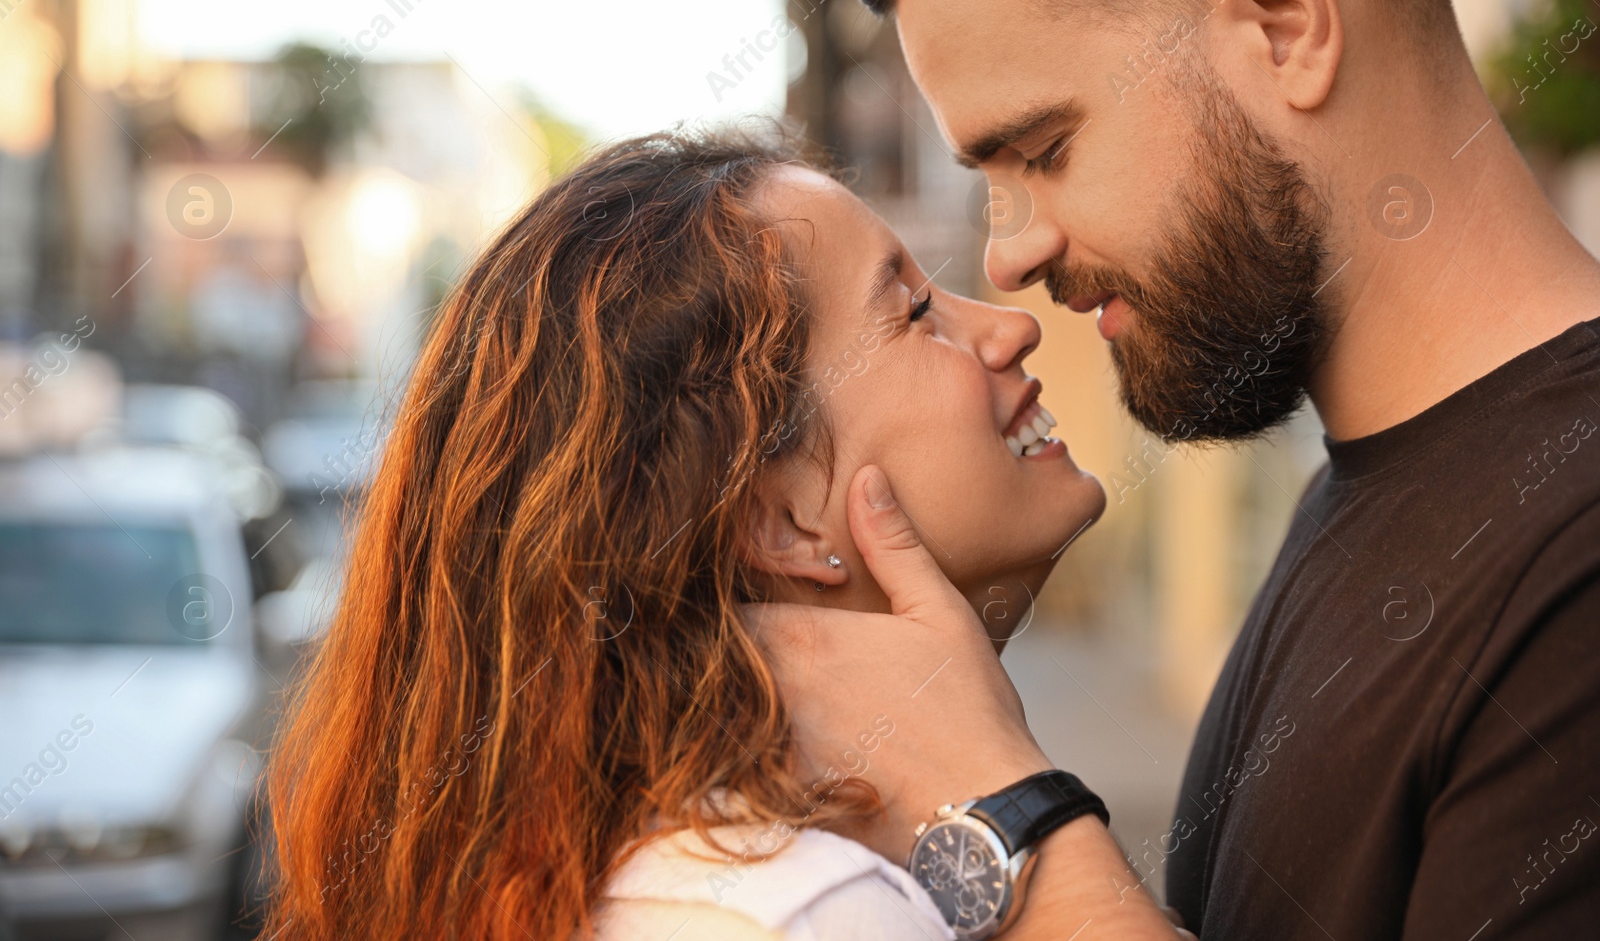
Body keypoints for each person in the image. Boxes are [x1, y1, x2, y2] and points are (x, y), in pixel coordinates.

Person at [746, 0, 1600, 938]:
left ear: (1281, 23)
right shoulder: (1363, 499)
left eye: (1046, 149)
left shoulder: (1571, 568)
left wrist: (1004, 810)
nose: (1010, 255)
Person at [257, 129, 1169, 940]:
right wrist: (1005, 798)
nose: (1010, 326)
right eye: (915, 311)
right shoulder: (801, 909)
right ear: (779, 517)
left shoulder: (675, 870)